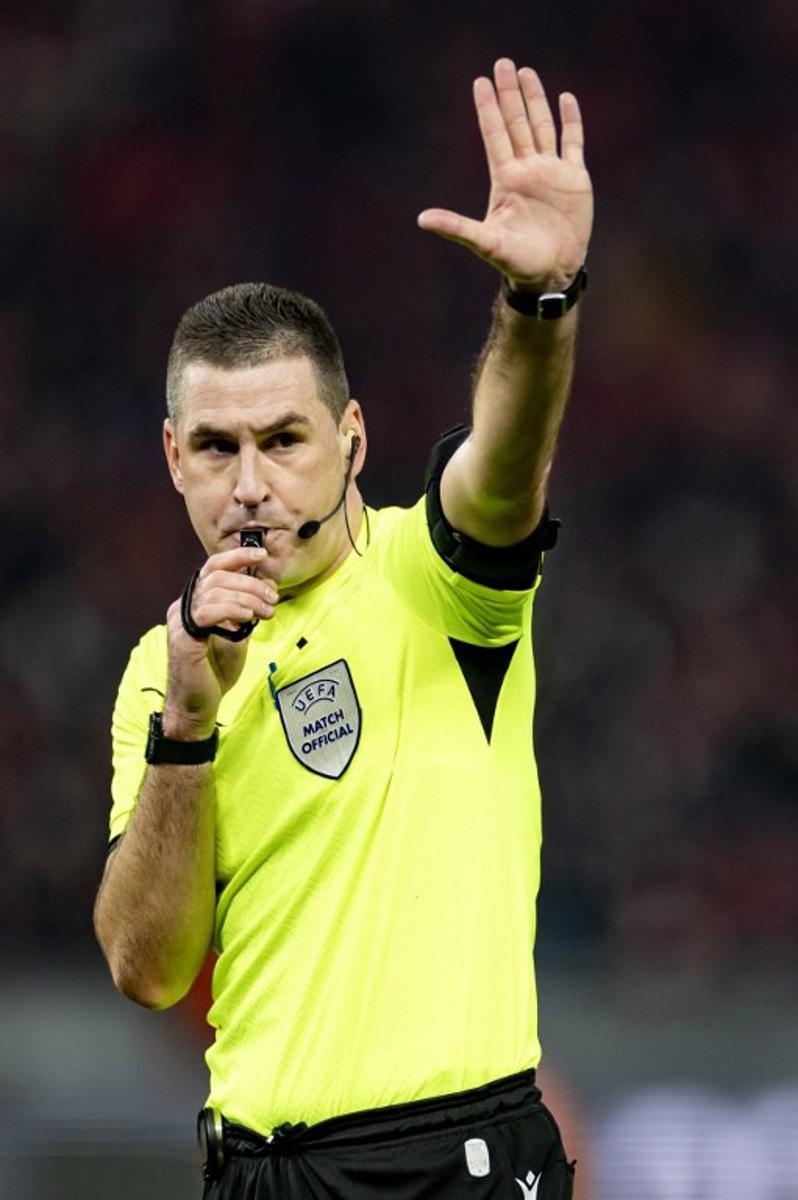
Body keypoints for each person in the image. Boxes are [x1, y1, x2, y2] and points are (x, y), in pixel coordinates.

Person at [93, 57, 594, 1199]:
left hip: (452, 1161)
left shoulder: (441, 576)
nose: (253, 483)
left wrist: (540, 305)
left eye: (286, 439)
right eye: (217, 449)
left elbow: (508, 459)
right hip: (259, 1171)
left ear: (354, 439)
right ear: (174, 459)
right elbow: (148, 967)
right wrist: (189, 721)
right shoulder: (159, 672)